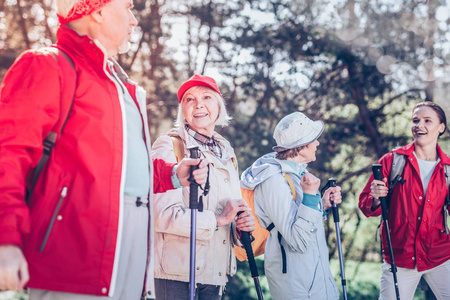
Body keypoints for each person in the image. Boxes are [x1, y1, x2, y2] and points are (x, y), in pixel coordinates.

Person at [0, 0, 208, 299]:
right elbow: (9, 153)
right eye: (128, 7)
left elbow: (117, 172)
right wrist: (5, 239)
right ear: (97, 11)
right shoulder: (48, 64)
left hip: (131, 256)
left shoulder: (121, 87)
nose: (134, 21)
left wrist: (174, 175)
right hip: (72, 259)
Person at [151, 74, 255, 299]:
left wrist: (239, 225)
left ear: (219, 106)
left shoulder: (226, 152)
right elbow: (160, 216)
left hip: (214, 274)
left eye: (207, 97)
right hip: (177, 274)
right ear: (183, 111)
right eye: (190, 99)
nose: (199, 104)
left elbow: (228, 212)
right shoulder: (170, 146)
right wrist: (218, 220)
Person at [240, 111, 341, 300]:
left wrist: (323, 205)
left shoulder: (297, 174)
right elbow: (298, 241)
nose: (317, 143)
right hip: (298, 288)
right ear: (301, 146)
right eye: (313, 139)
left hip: (317, 283)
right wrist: (311, 197)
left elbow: (301, 220)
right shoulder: (273, 180)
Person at [359, 101, 450, 300]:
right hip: (400, 256)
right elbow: (366, 206)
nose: (419, 125)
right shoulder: (392, 161)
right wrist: (375, 197)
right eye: (416, 120)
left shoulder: (448, 168)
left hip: (439, 255)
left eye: (427, 120)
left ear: (441, 127)